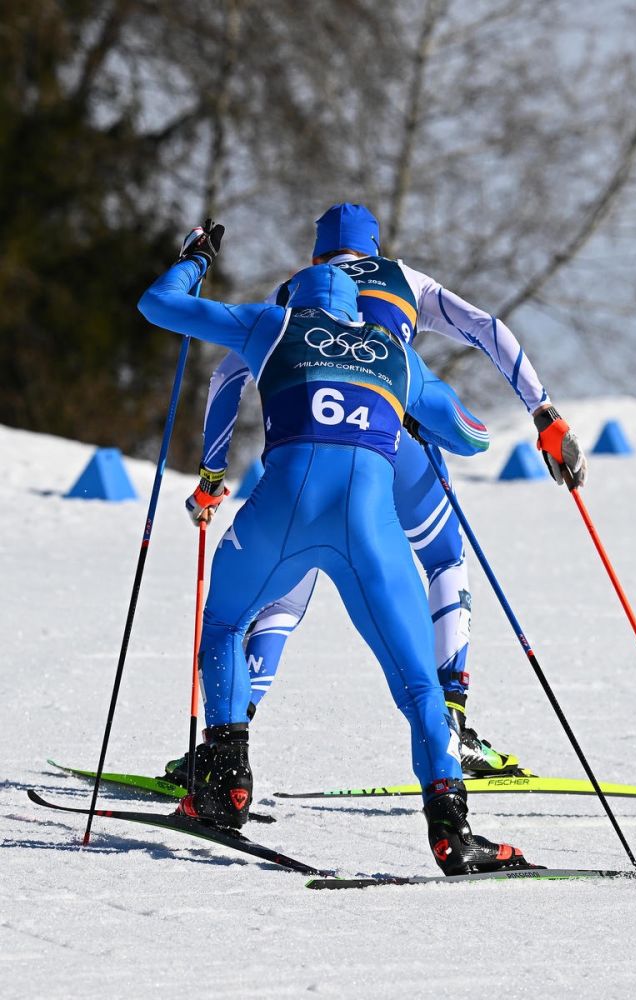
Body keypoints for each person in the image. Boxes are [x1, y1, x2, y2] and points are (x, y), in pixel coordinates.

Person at [137, 222, 531, 875]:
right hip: (369, 533)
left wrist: (195, 261)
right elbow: (472, 437)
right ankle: (450, 831)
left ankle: (226, 782)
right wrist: (412, 411)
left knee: (226, 623)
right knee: (418, 685)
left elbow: (158, 306)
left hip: (279, 516)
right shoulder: (394, 351)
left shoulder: (271, 323)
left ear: (299, 291)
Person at [170, 203, 587, 789]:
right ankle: (453, 722)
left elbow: (225, 377)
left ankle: (227, 744)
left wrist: (212, 477)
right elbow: (488, 329)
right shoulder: (404, 278)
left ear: (317, 254)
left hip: (302, 453)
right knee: (443, 559)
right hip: (397, 442)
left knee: (280, 592)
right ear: (373, 247)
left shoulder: (291, 294)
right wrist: (543, 412)